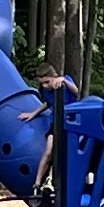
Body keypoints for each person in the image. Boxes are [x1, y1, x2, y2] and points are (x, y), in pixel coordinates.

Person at [17, 62, 80, 190]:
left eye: (47, 82)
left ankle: (57, 179)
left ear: (54, 76)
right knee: (49, 150)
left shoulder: (65, 81)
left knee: (65, 151)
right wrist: (33, 113)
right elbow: (47, 103)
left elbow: (75, 90)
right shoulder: (47, 92)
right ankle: (38, 182)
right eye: (42, 84)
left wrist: (63, 80)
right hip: (56, 123)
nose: (45, 86)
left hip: (71, 122)